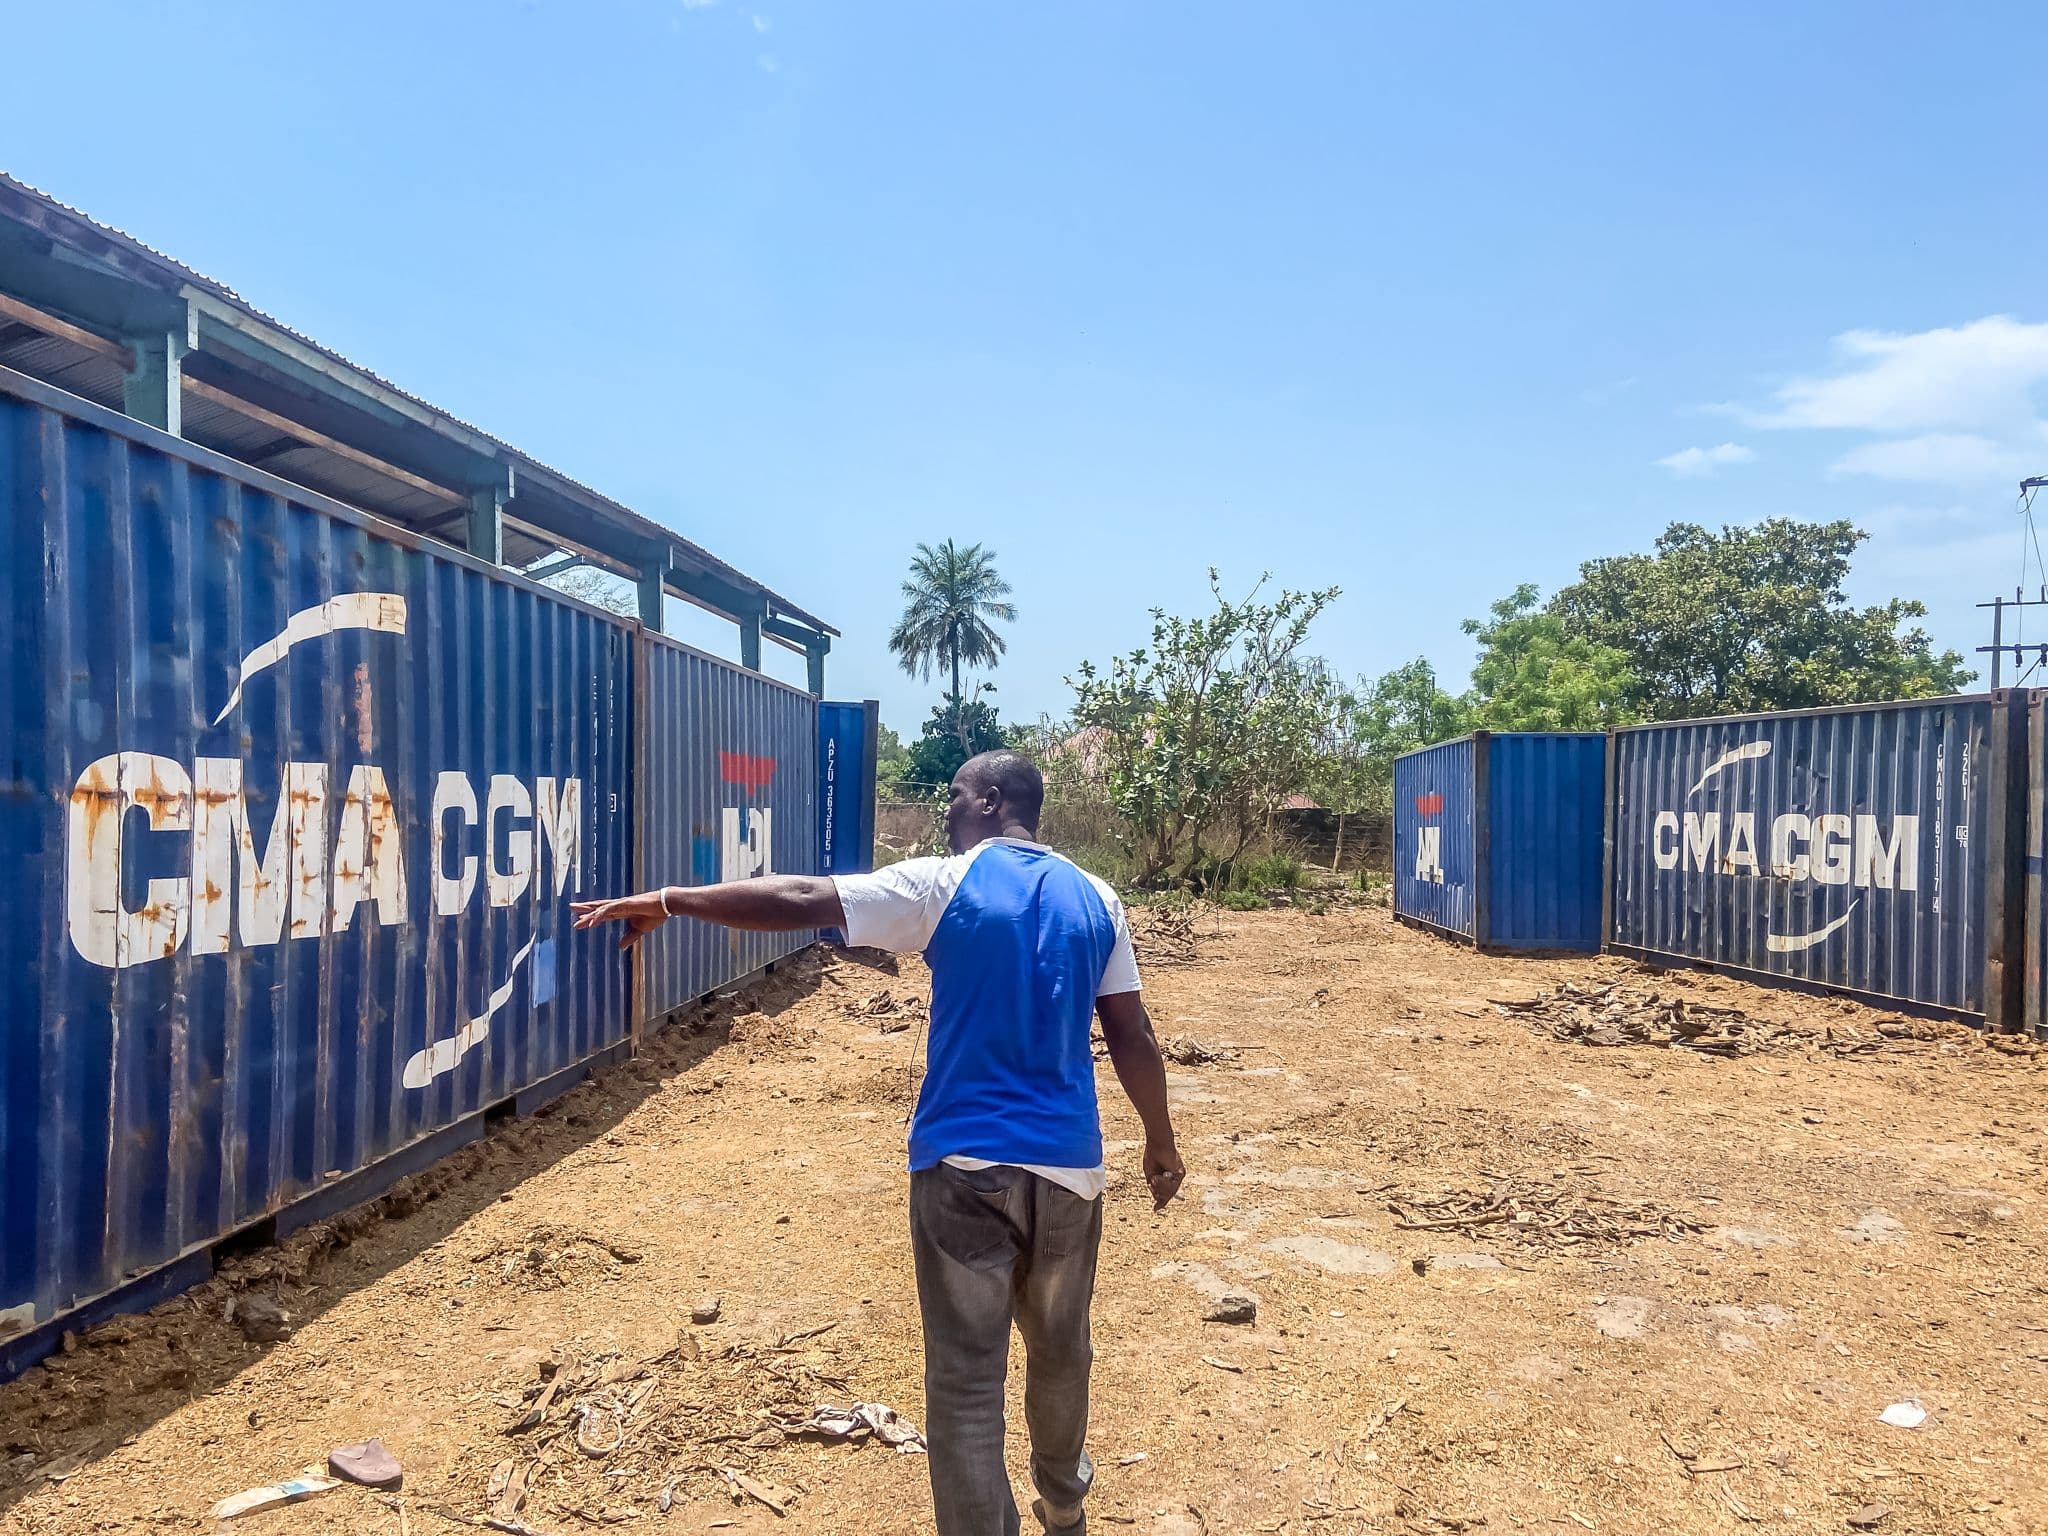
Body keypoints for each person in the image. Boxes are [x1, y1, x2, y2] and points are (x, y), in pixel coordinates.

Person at [571, 749, 1185, 1535]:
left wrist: (671, 899)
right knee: (1062, 1350)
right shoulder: (1098, 898)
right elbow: (1132, 1035)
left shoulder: (943, 884)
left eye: (958, 796)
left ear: (992, 802)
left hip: (962, 1169)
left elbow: (799, 895)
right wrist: (1160, 1143)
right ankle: (1064, 1502)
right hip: (1070, 1172)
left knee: (966, 1383)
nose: (948, 810)